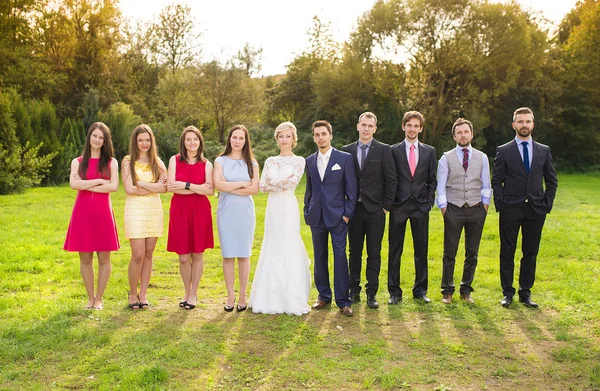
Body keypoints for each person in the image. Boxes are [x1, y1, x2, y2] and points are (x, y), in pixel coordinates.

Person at [492, 107, 558, 308]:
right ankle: (507, 292)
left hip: (536, 210)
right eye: (520, 122)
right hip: (511, 208)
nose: (524, 125)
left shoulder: (543, 150)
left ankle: (525, 292)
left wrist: (547, 203)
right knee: (507, 251)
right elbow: (497, 181)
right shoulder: (503, 151)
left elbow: (551, 180)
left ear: (533, 124)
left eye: (528, 121)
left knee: (530, 252)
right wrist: (501, 203)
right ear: (514, 125)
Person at [249, 122, 311, 315]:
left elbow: (292, 183)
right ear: (277, 139)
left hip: (288, 207)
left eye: (288, 136)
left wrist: (274, 182)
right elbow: (262, 186)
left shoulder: (300, 160)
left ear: (293, 139)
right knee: (272, 243)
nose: (284, 140)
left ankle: (291, 296)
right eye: (281, 136)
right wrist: (279, 183)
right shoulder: (270, 161)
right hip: (273, 207)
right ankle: (268, 295)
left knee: (288, 242)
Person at [342, 112, 397, 309]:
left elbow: (391, 180)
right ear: (358, 126)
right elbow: (343, 181)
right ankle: (353, 291)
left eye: (370, 126)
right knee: (354, 252)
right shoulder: (346, 150)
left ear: (375, 128)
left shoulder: (384, 150)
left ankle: (371, 293)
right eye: (363, 125)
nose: (366, 129)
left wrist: (385, 207)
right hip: (354, 210)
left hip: (375, 210)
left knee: (374, 253)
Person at [64, 122, 120, 310]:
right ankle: (90, 297)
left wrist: (85, 183)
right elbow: (74, 185)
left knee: (104, 258)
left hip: (103, 213)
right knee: (85, 258)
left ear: (105, 141)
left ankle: (99, 299)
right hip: (82, 213)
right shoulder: (77, 162)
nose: (97, 140)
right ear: (89, 137)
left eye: (101, 137)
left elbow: (113, 187)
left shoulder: (112, 162)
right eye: (94, 136)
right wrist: (98, 181)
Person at [304, 120, 357, 317]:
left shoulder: (344, 159)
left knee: (340, 257)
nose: (320, 137)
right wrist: (307, 209)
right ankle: (323, 296)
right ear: (314, 137)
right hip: (316, 216)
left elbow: (352, 189)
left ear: (330, 135)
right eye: (317, 134)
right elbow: (309, 189)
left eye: (323, 134)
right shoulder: (309, 161)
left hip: (338, 217)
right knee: (319, 257)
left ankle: (343, 301)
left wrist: (347, 214)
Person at [436, 118, 491, 304]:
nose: (463, 135)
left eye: (466, 131)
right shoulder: (446, 157)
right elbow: (441, 185)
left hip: (476, 209)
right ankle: (447, 291)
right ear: (454, 136)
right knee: (449, 252)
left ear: (471, 134)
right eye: (459, 132)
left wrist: (484, 206)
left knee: (472, 252)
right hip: (453, 209)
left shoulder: (482, 157)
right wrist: (444, 208)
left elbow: (486, 184)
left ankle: (466, 290)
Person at [388, 111, 437, 304]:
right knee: (395, 250)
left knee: (421, 250)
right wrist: (390, 202)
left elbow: (432, 179)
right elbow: (390, 179)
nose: (412, 129)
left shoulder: (429, 151)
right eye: (409, 125)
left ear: (421, 129)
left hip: (420, 207)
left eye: (416, 126)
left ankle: (420, 290)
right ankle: (394, 292)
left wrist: (428, 201)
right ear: (403, 127)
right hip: (398, 206)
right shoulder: (393, 150)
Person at [167, 126, 214, 310]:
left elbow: (209, 190)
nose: (192, 142)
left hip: (200, 210)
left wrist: (186, 185)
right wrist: (197, 187)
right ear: (183, 142)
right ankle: (186, 291)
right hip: (179, 210)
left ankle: (193, 293)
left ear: (200, 141)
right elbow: (172, 187)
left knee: (197, 253)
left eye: (195, 139)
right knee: (184, 256)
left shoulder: (207, 164)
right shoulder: (174, 160)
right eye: (188, 139)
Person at [213, 125, 259, 312]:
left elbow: (254, 189)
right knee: (228, 254)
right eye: (234, 137)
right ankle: (230, 295)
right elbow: (218, 185)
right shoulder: (220, 161)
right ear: (229, 139)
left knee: (243, 253)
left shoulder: (252, 163)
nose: (237, 141)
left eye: (241, 138)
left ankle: (242, 294)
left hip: (245, 213)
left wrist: (228, 184)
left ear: (245, 141)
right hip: (226, 211)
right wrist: (242, 183)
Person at [122, 124, 167, 309]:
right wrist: (152, 186)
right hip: (135, 210)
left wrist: (141, 183)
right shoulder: (127, 161)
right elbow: (129, 189)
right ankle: (132, 293)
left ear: (152, 141)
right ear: (135, 141)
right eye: (141, 140)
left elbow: (165, 188)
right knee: (138, 254)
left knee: (149, 253)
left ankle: (143, 294)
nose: (144, 143)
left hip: (153, 210)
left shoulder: (158, 162)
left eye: (147, 140)